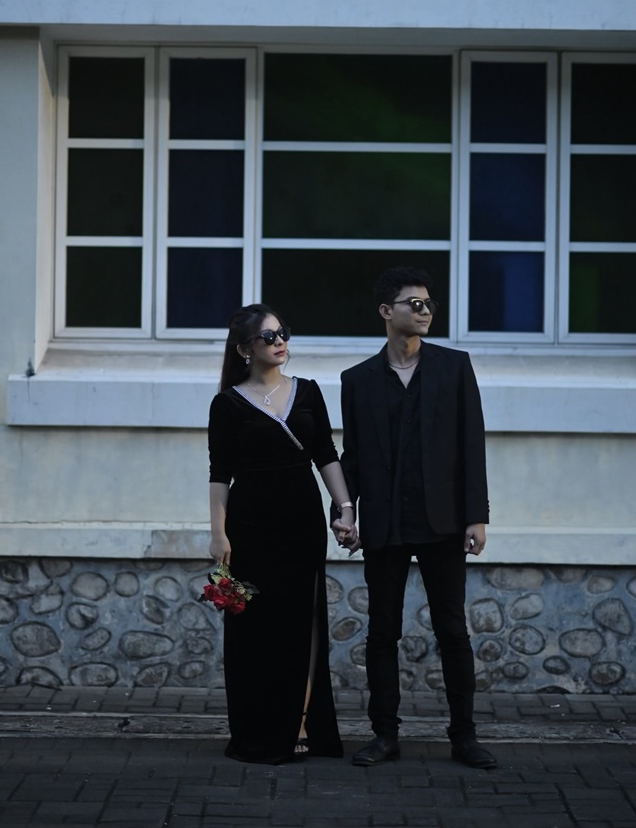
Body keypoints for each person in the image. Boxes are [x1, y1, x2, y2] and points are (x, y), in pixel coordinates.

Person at [334, 267, 497, 770]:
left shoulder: (454, 367)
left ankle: (464, 737)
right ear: (387, 311)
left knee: (453, 630)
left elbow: (471, 444)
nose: (425, 311)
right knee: (382, 632)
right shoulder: (357, 380)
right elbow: (353, 456)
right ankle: (384, 735)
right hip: (384, 522)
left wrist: (476, 516)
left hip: (443, 521)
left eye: (429, 303)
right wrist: (344, 513)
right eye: (415, 303)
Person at [208, 303, 356, 764]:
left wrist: (346, 509)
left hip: (301, 522)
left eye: (283, 333)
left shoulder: (308, 391)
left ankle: (303, 722)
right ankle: (260, 728)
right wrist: (218, 534)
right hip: (250, 526)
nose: (280, 342)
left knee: (303, 623)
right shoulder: (228, 403)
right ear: (244, 349)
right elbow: (220, 473)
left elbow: (326, 454)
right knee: (256, 630)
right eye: (269, 336)